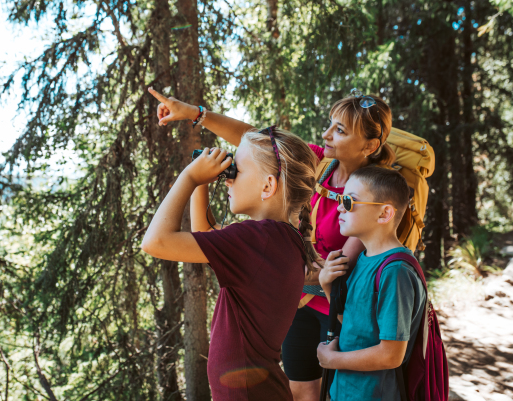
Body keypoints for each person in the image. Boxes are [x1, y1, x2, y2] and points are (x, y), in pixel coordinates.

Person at [148, 87, 395, 401]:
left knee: (336, 392)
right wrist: (196, 115)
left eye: (340, 129)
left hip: (335, 305)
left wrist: (190, 177)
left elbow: (156, 241)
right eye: (330, 124)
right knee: (301, 388)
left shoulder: (369, 190)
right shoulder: (316, 165)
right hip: (297, 300)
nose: (327, 133)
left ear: (370, 145)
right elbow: (258, 142)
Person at [141, 121, 322, 400]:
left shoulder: (259, 239)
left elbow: (155, 242)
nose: (227, 178)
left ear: (267, 185)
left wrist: (190, 177)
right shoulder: (278, 239)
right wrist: (202, 184)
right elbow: (204, 238)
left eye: (236, 170)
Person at [317, 166, 426, 401]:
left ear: (384, 214)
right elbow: (359, 325)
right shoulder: (365, 259)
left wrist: (332, 360)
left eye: (349, 201)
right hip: (345, 391)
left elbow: (391, 355)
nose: (339, 207)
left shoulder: (395, 271)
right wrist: (327, 286)